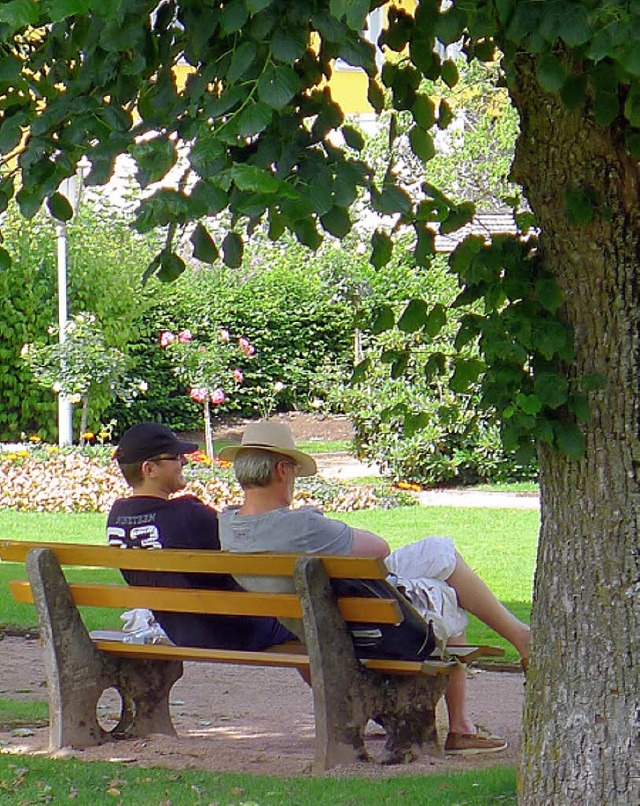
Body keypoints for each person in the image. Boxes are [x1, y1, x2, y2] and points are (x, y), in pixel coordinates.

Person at [218, 421, 531, 756]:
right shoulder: (304, 527)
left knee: (440, 557)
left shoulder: (228, 523)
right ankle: (463, 723)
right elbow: (379, 548)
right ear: (281, 469)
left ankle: (502, 663)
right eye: (293, 470)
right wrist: (325, 526)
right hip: (366, 627)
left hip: (313, 628)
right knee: (445, 580)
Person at [107, 422, 296, 651]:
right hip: (238, 630)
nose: (184, 462)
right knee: (311, 623)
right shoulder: (187, 515)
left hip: (182, 632)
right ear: (149, 469)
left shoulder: (117, 517)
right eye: (176, 457)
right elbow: (247, 541)